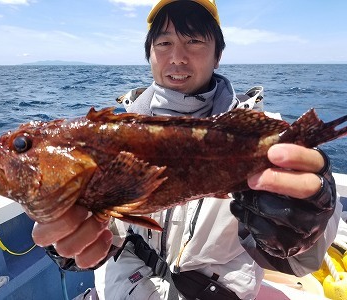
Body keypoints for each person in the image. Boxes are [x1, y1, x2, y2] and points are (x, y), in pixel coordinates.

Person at [32, 1, 342, 299]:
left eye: (193, 41)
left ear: (217, 55)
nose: (177, 57)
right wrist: (66, 238)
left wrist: (311, 216)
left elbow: (299, 261)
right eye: (164, 43)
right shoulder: (110, 133)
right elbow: (105, 235)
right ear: (149, 54)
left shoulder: (267, 137)